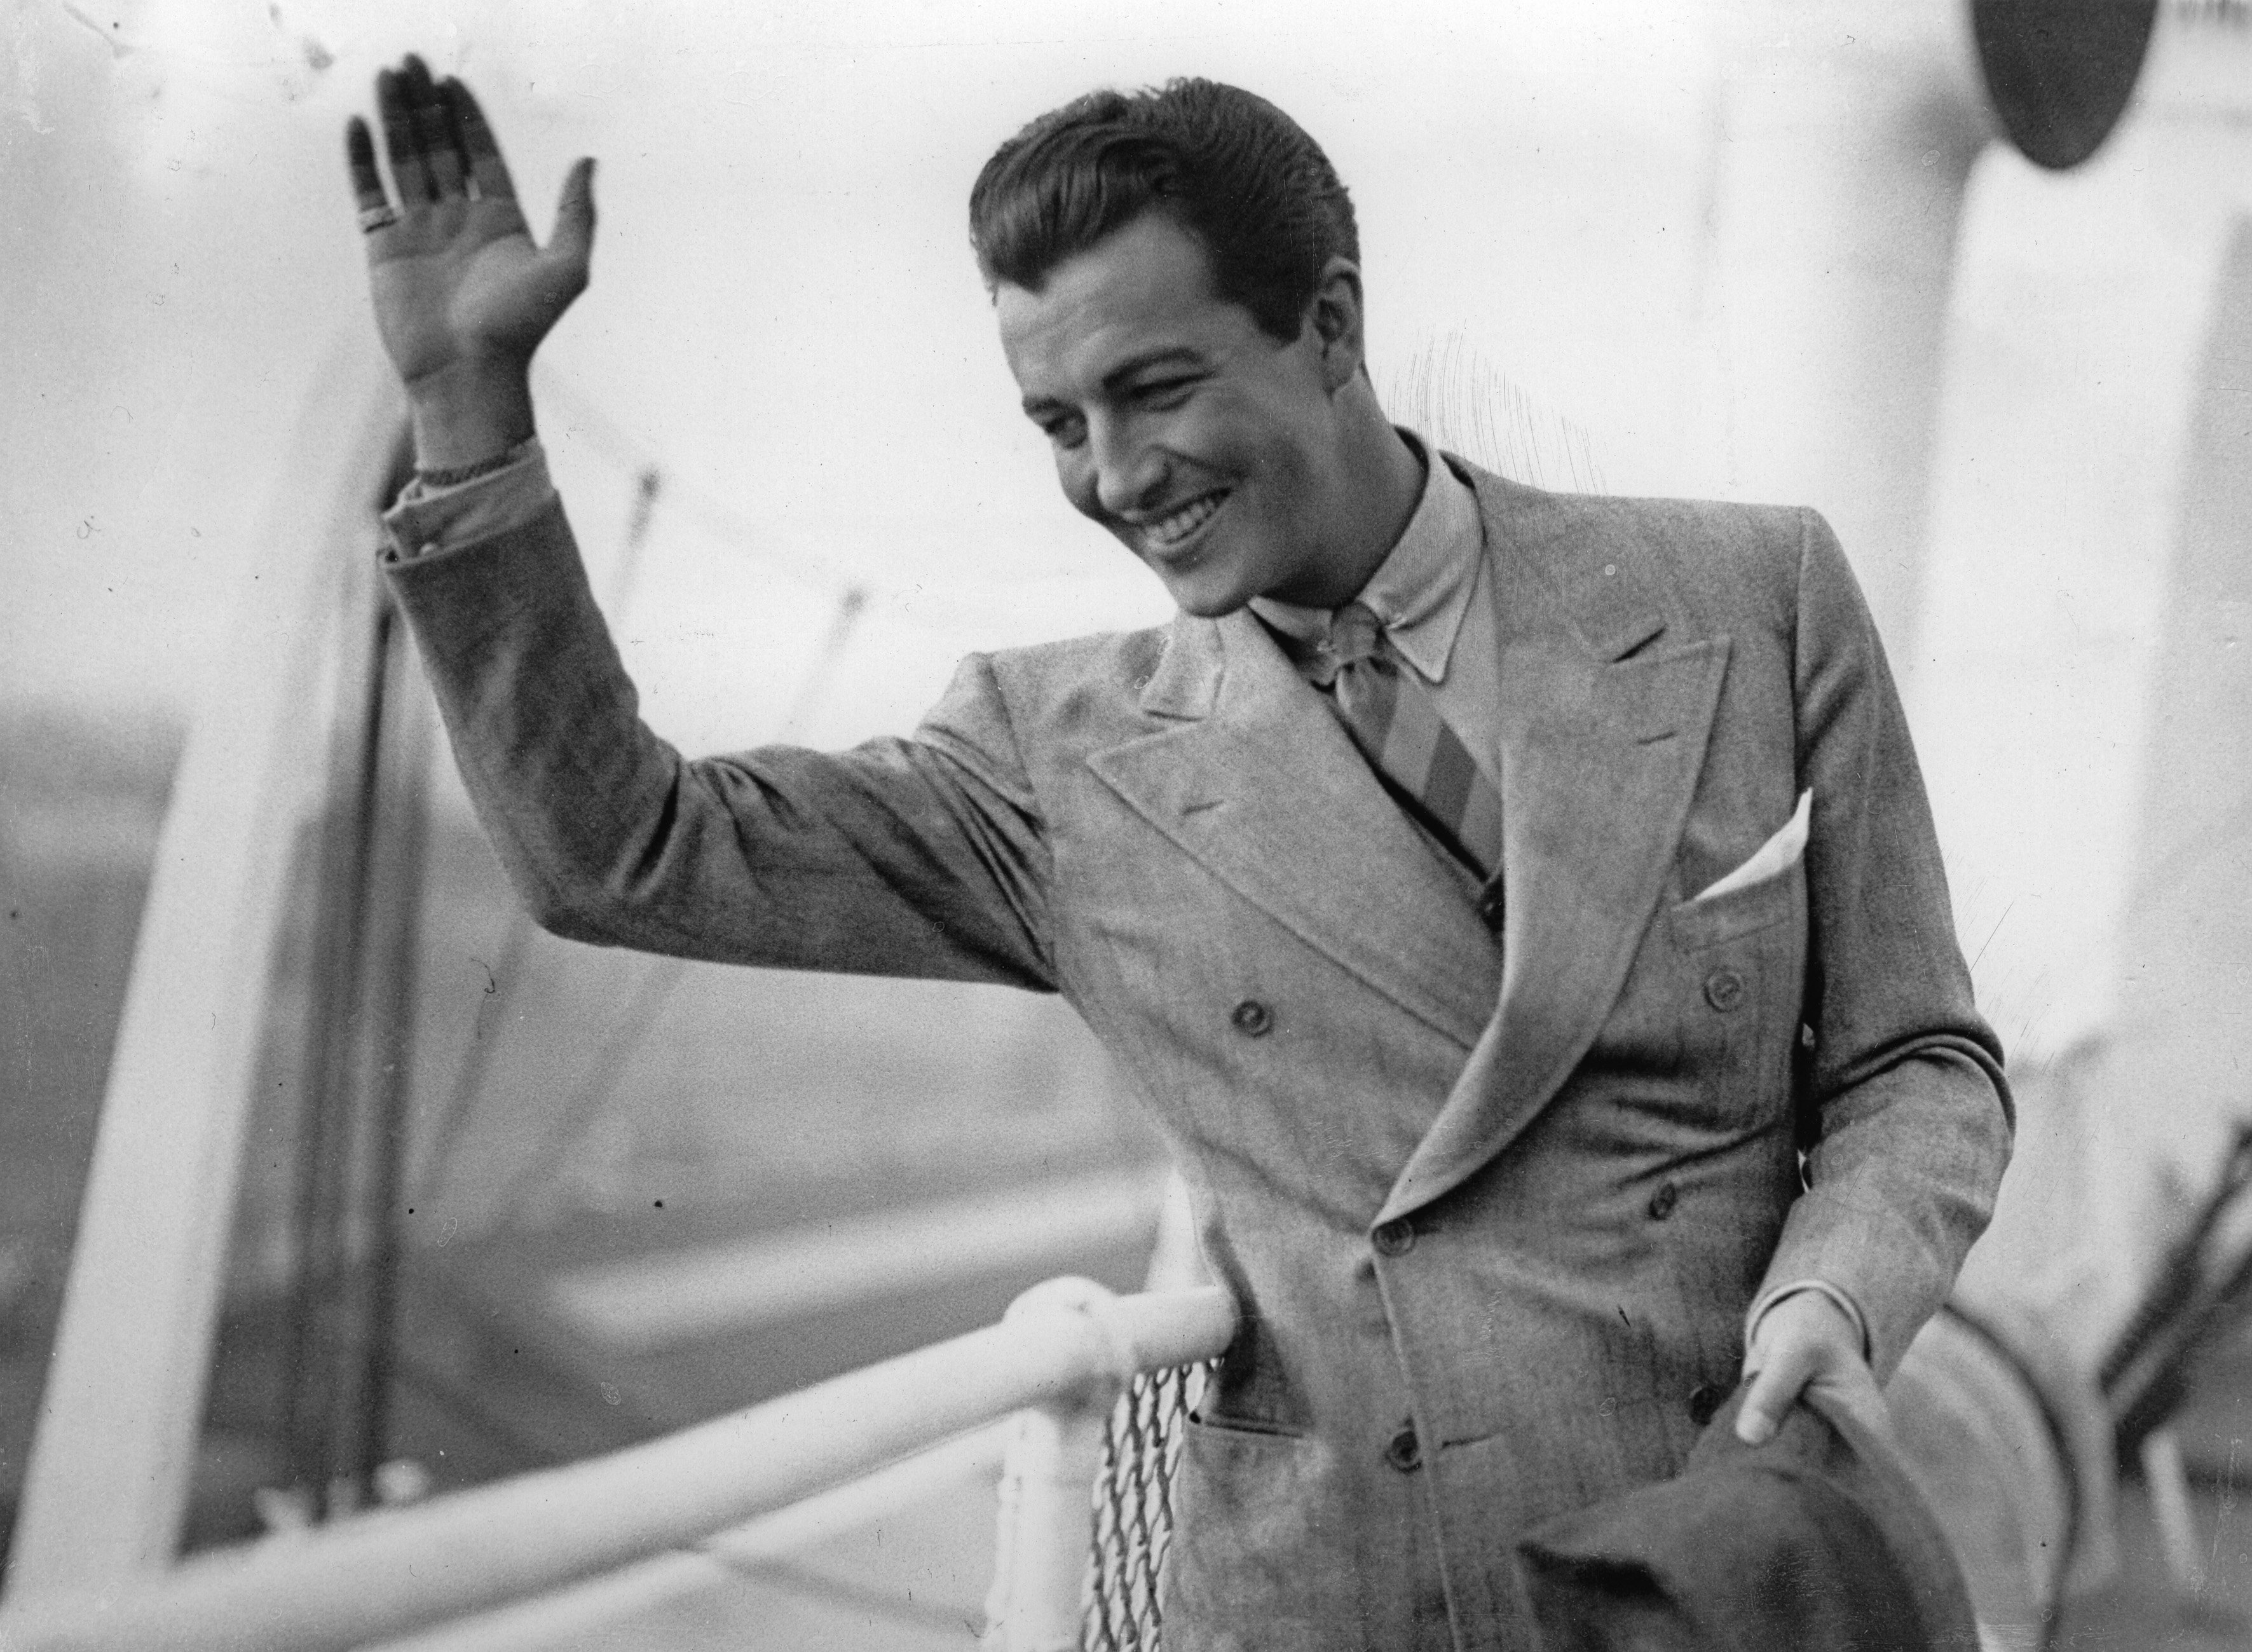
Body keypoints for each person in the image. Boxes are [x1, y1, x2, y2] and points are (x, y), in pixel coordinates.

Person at [345, 56, 2010, 1651]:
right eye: (1059, 422)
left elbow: (1918, 1059)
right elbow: (620, 852)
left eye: (1155, 387)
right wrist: (467, 412)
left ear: (1331, 324)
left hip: (1723, 1572)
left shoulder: (1749, 602)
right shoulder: (1050, 760)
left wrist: (1838, 1299)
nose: (1119, 478)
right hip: (1341, 1602)